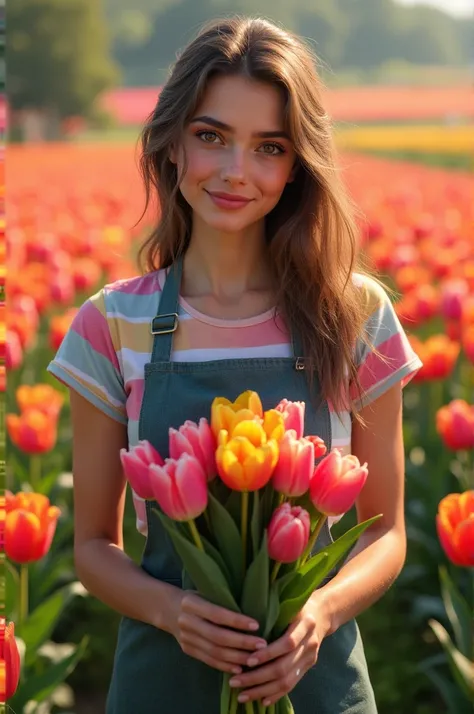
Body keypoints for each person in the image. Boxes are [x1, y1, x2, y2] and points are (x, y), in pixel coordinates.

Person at [48, 15, 423, 714]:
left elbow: (386, 532)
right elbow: (94, 548)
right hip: (165, 679)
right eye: (211, 136)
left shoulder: (355, 315)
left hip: (315, 678)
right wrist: (174, 612)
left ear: (298, 162)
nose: (235, 172)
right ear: (171, 140)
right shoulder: (112, 325)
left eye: (269, 148)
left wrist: (321, 614)